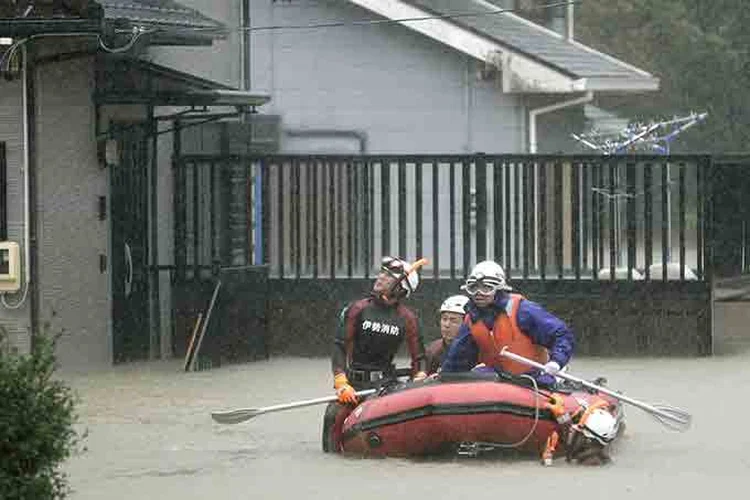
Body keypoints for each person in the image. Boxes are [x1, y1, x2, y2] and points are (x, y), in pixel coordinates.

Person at [322, 256, 427, 452]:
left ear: (401, 287)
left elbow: (419, 358)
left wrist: (420, 377)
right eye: (381, 272)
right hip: (354, 385)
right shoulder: (358, 309)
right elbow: (339, 346)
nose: (379, 277)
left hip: (385, 387)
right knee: (332, 416)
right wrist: (341, 382)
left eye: (388, 276)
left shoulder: (408, 318)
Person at [440, 260, 574, 387]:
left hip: (534, 378)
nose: (478, 293)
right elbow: (457, 360)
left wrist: (556, 362)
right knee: (478, 376)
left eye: (486, 288)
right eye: (473, 288)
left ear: (499, 288)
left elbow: (561, 334)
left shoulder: (523, 310)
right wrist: (443, 378)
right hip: (497, 380)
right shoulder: (471, 319)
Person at [541, 394, 620, 466]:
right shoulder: (592, 450)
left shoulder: (590, 463)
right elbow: (568, 429)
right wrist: (560, 415)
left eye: (579, 431)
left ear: (588, 440)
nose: (572, 430)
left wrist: (547, 463)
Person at [425, 295, 470, 375]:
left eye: (453, 320)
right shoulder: (433, 350)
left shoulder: (475, 350)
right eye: (444, 319)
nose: (447, 325)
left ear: (466, 323)